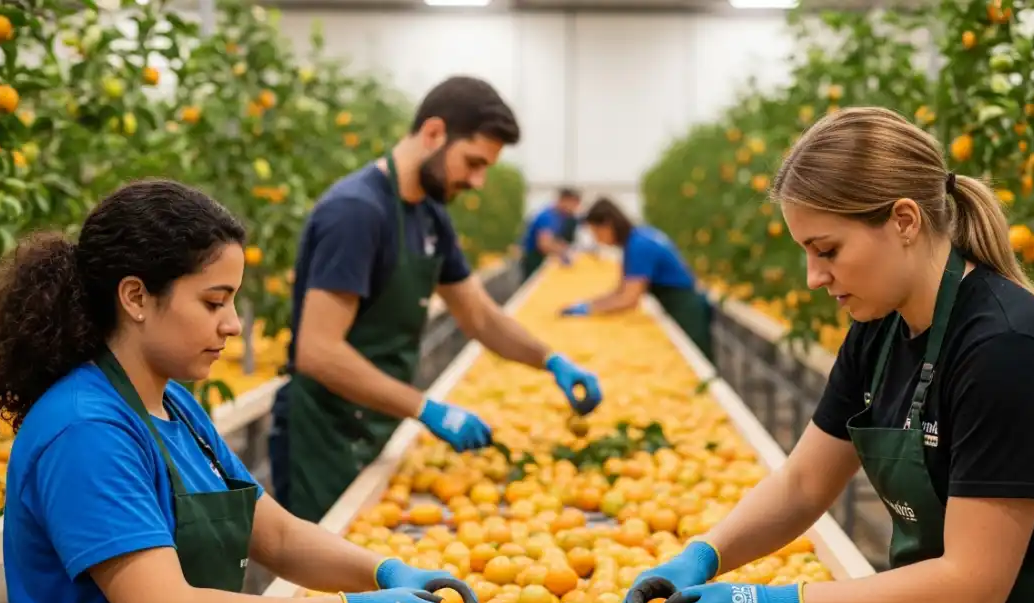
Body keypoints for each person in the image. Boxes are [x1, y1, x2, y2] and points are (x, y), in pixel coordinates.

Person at [619, 107, 1034, 603]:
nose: (812, 277)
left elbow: (975, 583)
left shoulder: (1005, 350)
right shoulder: (879, 328)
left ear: (904, 220)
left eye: (826, 249)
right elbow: (803, 484)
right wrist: (704, 555)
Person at [0, 180, 480, 603]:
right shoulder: (87, 431)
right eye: (213, 302)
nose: (233, 326)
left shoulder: (174, 405)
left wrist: (384, 573)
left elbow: (278, 536)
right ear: (135, 297)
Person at [269, 76, 603, 523]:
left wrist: (551, 360)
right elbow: (317, 351)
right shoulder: (355, 212)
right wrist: (425, 408)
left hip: (379, 422)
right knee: (325, 579)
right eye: (473, 162)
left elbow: (480, 316)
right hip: (326, 437)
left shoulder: (430, 215)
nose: (478, 181)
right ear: (433, 134)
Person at [558, 197, 714, 363]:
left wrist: (591, 309)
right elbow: (621, 289)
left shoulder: (639, 245)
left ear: (608, 224)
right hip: (678, 301)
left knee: (695, 359)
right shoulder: (636, 238)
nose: (597, 240)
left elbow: (629, 299)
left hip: (685, 307)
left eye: (597, 233)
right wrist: (587, 304)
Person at [519, 187, 582, 280]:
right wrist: (564, 253)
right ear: (565, 200)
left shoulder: (559, 216)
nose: (575, 209)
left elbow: (553, 239)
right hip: (534, 259)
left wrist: (563, 247)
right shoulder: (548, 217)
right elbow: (544, 244)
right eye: (574, 205)